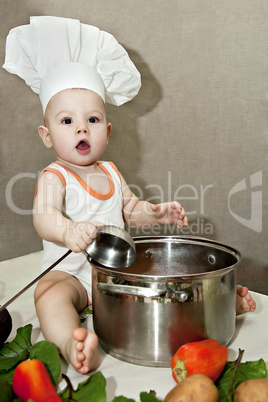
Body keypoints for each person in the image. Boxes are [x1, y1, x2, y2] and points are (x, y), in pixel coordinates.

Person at [3, 17, 255, 376]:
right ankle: (70, 340)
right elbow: (44, 218)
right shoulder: (55, 176)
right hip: (70, 274)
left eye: (91, 119)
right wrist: (67, 232)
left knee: (162, 290)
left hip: (117, 274)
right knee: (49, 296)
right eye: (66, 121)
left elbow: (130, 210)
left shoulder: (110, 171)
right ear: (46, 135)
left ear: (106, 130)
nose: (80, 128)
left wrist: (153, 215)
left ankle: (221, 305)